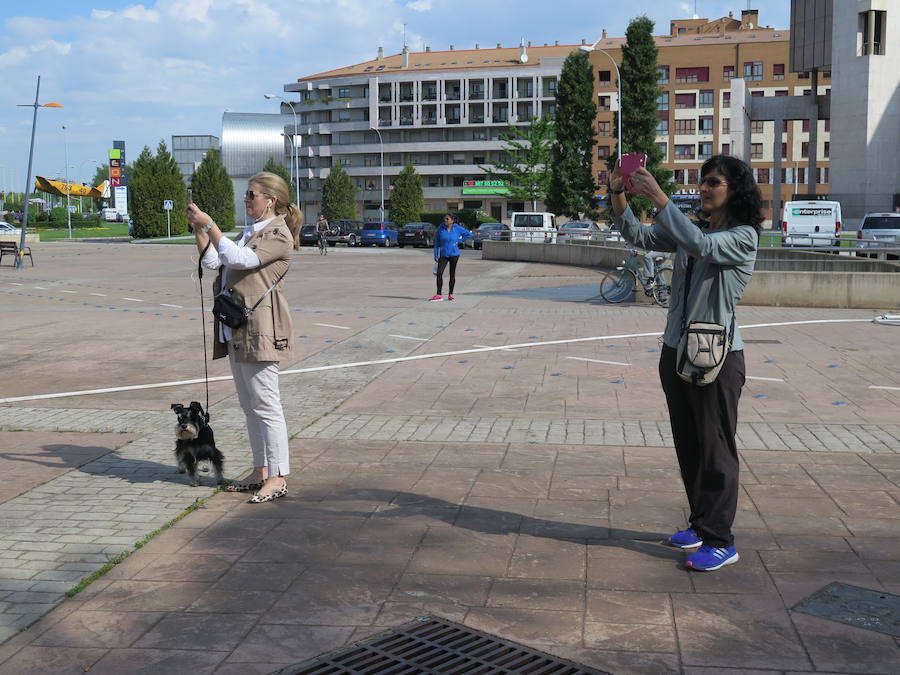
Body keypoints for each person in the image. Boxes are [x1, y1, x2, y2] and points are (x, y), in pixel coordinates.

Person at [610, 155, 761, 571]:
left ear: (736, 190)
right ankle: (699, 524)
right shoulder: (692, 229)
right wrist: (618, 192)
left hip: (717, 357)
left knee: (716, 449)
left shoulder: (743, 236)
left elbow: (704, 248)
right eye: (701, 182)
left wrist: (660, 197)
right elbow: (638, 236)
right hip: (677, 350)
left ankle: (720, 539)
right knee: (690, 444)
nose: (703, 188)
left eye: (713, 182)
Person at [187, 171, 300, 504]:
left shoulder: (277, 233)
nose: (246, 199)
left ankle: (278, 476)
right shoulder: (250, 232)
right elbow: (215, 261)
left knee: (267, 406)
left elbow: (242, 260)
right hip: (238, 329)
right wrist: (200, 230)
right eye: (247, 194)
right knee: (251, 407)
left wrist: (211, 226)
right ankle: (261, 470)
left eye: (251, 194)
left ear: (271, 200)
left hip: (262, 329)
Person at [430, 214, 473, 301]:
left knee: (452, 274)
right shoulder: (440, 228)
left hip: (454, 254)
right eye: (444, 219)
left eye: (447, 219)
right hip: (443, 254)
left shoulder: (457, 228)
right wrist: (435, 255)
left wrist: (459, 240)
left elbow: (469, 234)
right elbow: (436, 243)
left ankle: (451, 294)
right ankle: (439, 294)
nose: (445, 220)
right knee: (439, 273)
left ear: (452, 220)